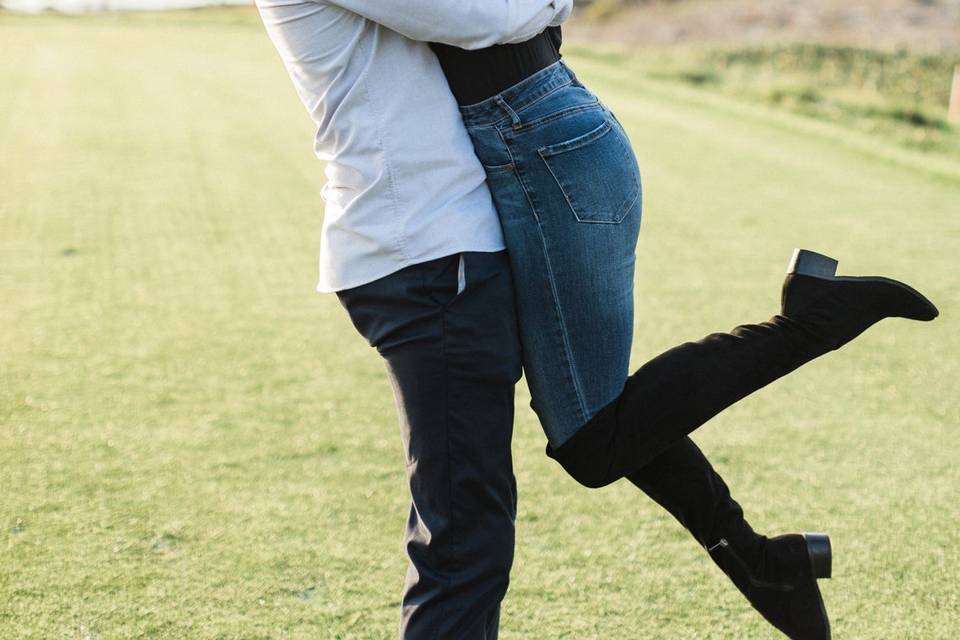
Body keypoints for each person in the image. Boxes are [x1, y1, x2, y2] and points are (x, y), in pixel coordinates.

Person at [429, 24, 939, 640]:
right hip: (531, 136)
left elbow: (445, 17)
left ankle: (810, 322)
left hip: (543, 144)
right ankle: (760, 561)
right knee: (603, 419)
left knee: (593, 440)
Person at [253, 1, 574, 638]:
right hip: (427, 252)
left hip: (431, 246)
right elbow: (477, 18)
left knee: (468, 531)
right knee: (463, 546)